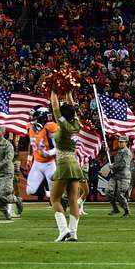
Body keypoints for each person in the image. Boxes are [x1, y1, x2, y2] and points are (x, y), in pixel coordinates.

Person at [50, 90, 83, 241]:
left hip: (63, 164)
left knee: (55, 199)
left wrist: (52, 89)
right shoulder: (76, 124)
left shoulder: (63, 127)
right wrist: (69, 91)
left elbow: (55, 107)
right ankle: (73, 233)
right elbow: (72, 108)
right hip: (75, 164)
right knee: (73, 199)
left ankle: (63, 230)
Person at [26, 106, 57, 200]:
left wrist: (48, 153)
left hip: (49, 164)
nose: (31, 118)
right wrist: (29, 158)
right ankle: (48, 194)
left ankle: (61, 200)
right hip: (37, 163)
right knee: (30, 191)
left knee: (54, 192)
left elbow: (59, 148)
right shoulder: (30, 127)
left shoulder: (49, 128)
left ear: (41, 117)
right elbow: (32, 143)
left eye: (34, 116)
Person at [107, 135, 132, 217]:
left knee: (119, 194)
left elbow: (123, 164)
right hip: (116, 175)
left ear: (126, 143)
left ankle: (126, 211)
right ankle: (115, 209)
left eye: (122, 142)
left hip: (123, 176)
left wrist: (113, 166)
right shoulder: (119, 151)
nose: (120, 143)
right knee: (108, 192)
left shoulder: (127, 152)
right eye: (119, 142)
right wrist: (108, 151)